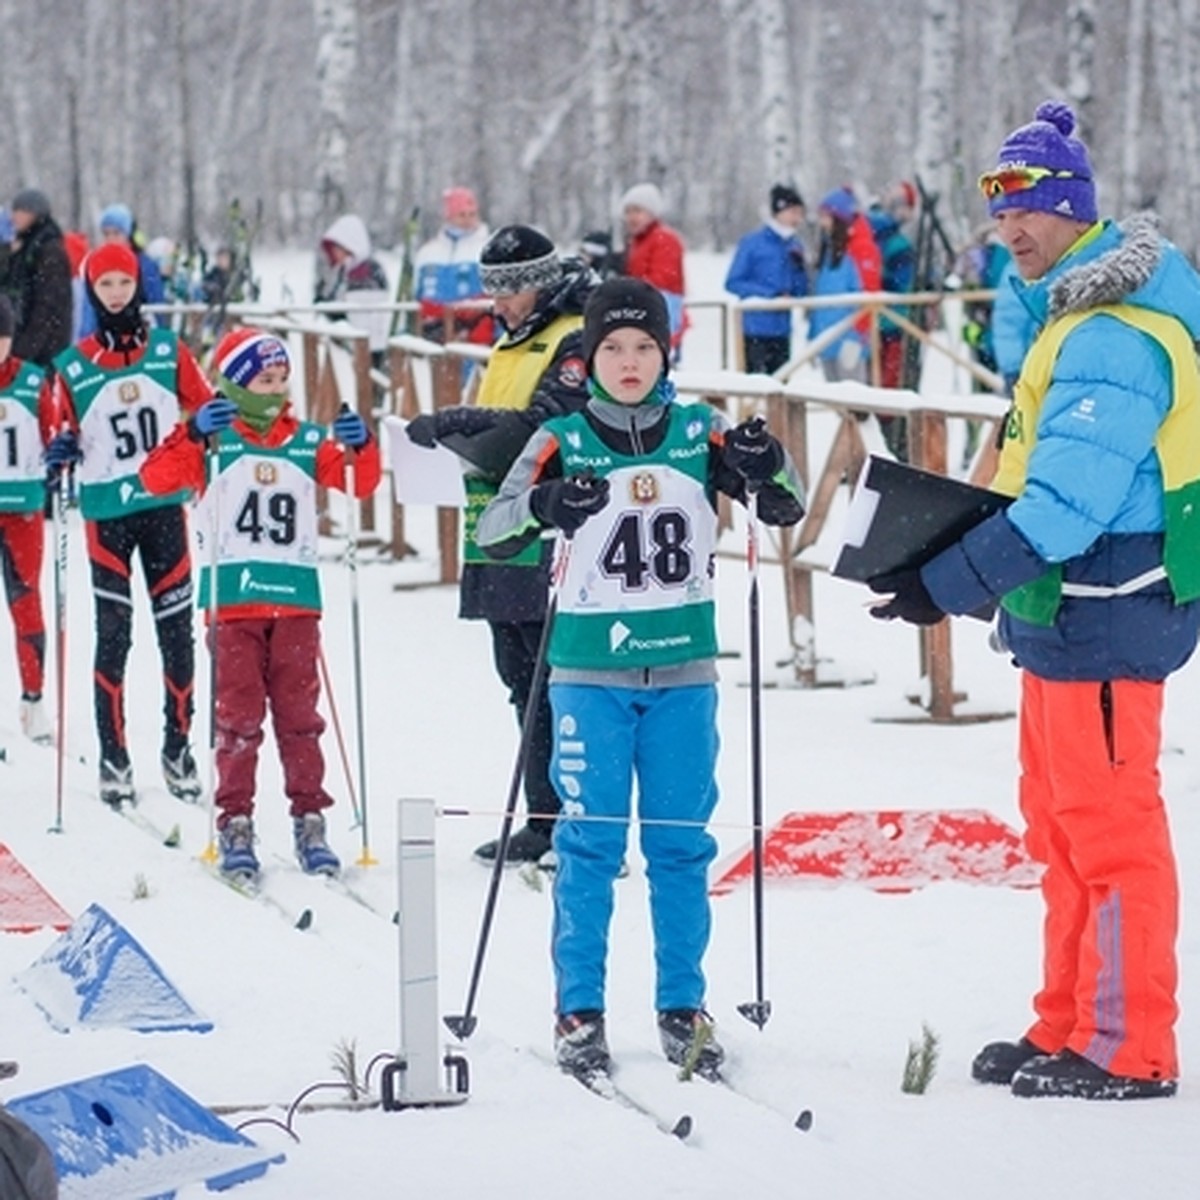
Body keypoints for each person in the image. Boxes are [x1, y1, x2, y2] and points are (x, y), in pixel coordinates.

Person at [869, 100, 1200, 1101]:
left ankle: (1129, 1045)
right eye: (999, 210)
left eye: (1029, 210)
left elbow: (1065, 505)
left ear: (1073, 212)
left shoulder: (1113, 335)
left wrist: (946, 581)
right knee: (1059, 829)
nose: (1009, 229)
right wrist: (936, 558)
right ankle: (1070, 1023)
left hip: (1110, 610)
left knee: (1109, 834)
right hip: (1065, 617)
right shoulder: (1071, 314)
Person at [476, 277, 805, 1083]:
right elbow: (492, 526)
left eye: (644, 347)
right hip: (589, 674)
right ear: (588, 359)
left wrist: (769, 461)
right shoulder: (560, 435)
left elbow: (783, 503)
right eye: (613, 348)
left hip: (684, 673)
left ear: (666, 354)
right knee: (589, 845)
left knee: (680, 847)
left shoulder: (699, 431)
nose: (629, 362)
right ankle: (579, 1009)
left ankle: (682, 1006)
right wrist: (546, 504)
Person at [140, 328, 381, 880]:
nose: (273, 391)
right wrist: (192, 434)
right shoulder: (216, 442)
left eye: (280, 380)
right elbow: (156, 478)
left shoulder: (304, 440)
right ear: (234, 385)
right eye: (262, 381)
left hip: (294, 601)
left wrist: (362, 443)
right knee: (238, 720)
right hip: (234, 606)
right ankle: (235, 820)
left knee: (300, 720)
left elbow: (359, 482)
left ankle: (310, 816)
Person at [405, 225, 596, 865]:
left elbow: (547, 427)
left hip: (549, 530)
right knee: (521, 681)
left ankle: (579, 822)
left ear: (535, 285)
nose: (496, 304)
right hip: (500, 534)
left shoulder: (573, 337)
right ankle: (545, 818)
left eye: (504, 292)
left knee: (560, 682)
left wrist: (464, 424)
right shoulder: (513, 339)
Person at [44, 242, 213, 806]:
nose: (116, 293)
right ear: (91, 290)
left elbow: (206, 414)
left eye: (124, 282)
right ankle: (113, 755)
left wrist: (207, 426)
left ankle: (178, 745)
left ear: (138, 285)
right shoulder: (72, 366)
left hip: (163, 512)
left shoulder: (169, 352)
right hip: (107, 518)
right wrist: (59, 450)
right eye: (105, 284)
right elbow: (54, 435)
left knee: (177, 636)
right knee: (115, 635)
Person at [0, 295, 56, 742]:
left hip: (22, 509)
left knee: (26, 601)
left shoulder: (32, 382)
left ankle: (33, 699)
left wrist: (60, 457)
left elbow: (53, 432)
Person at [724, 183, 809, 375]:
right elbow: (733, 282)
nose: (798, 218)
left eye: (800, 213)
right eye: (793, 212)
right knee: (755, 386)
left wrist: (799, 270)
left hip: (783, 330)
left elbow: (801, 290)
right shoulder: (753, 243)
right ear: (779, 211)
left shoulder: (795, 245)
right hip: (755, 328)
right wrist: (769, 295)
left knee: (780, 387)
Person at [413, 187, 493, 345]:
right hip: (436, 331)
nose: (467, 220)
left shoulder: (487, 248)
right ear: (449, 216)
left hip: (476, 331)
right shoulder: (428, 253)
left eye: (472, 214)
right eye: (461, 214)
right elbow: (417, 295)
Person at [2, 189, 72, 369]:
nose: (15, 217)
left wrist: (25, 350)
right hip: (27, 341)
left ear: (36, 214)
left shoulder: (49, 250)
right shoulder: (26, 246)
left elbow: (47, 306)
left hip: (43, 349)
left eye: (21, 211)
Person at [77, 205, 166, 339]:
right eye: (106, 234)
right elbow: (89, 309)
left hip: (138, 336)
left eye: (117, 233)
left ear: (128, 234)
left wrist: (159, 337)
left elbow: (156, 305)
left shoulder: (144, 264)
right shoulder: (96, 263)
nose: (111, 239)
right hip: (103, 337)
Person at [312, 213, 391, 364]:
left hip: (367, 349)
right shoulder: (345, 270)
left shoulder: (368, 271)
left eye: (337, 248)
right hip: (349, 347)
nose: (335, 253)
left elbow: (361, 313)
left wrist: (331, 310)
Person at [620, 183, 686, 361]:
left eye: (638, 211)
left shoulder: (664, 239)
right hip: (643, 309)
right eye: (628, 211)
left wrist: (628, 288)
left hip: (662, 311)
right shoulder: (636, 242)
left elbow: (664, 278)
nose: (631, 217)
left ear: (652, 213)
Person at [810, 191, 867, 381]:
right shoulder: (825, 254)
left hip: (848, 338)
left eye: (826, 217)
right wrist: (813, 336)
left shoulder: (855, 251)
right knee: (836, 402)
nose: (822, 223)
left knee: (854, 401)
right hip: (826, 339)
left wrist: (857, 336)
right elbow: (817, 299)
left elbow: (864, 296)